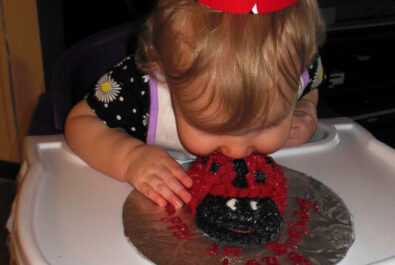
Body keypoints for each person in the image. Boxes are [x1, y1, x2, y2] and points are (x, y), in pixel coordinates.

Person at [65, 0, 326, 210]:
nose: (236, 152)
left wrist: (306, 110)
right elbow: (79, 123)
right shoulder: (142, 84)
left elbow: (310, 88)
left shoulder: (297, 70)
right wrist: (129, 158)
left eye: (264, 125)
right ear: (165, 69)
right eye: (211, 127)